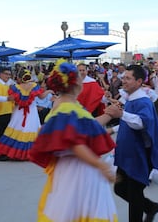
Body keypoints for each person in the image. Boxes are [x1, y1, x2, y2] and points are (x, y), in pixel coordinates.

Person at [29, 60, 120, 222]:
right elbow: (75, 143)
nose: (83, 77)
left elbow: (84, 127)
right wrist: (101, 166)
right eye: (80, 75)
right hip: (78, 171)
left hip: (74, 169)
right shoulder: (66, 107)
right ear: (75, 82)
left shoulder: (67, 104)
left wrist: (110, 117)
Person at [113, 64, 158, 222]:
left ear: (139, 81)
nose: (124, 81)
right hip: (128, 153)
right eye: (123, 77)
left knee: (134, 193)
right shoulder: (131, 98)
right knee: (120, 188)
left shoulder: (143, 101)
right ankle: (150, 207)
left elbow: (142, 123)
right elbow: (129, 123)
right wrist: (113, 129)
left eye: (128, 78)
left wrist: (121, 114)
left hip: (140, 155)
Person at [0, 68, 53, 161]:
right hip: (31, 112)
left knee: (15, 131)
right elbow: (41, 97)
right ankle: (30, 154)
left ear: (20, 78)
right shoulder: (34, 86)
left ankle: (13, 153)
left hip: (18, 112)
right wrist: (49, 91)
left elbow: (13, 99)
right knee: (31, 130)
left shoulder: (15, 87)